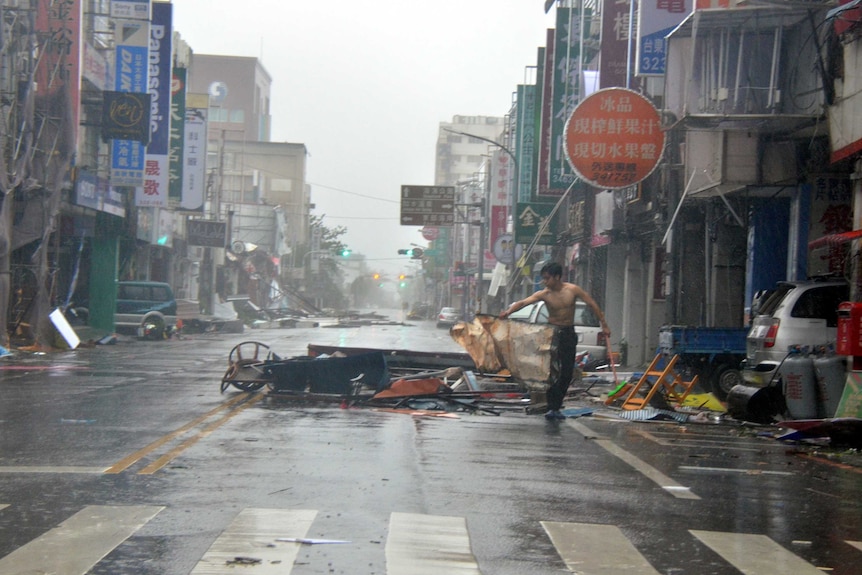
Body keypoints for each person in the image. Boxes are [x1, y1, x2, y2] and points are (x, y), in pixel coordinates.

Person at [499, 261, 610, 419]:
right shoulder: (544, 294)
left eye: (547, 278)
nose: (544, 282)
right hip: (552, 333)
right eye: (543, 278)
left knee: (566, 372)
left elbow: (592, 304)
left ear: (557, 277)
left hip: (568, 333)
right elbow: (524, 302)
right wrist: (508, 312)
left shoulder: (572, 290)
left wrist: (604, 325)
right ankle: (552, 407)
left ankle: (556, 406)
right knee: (550, 372)